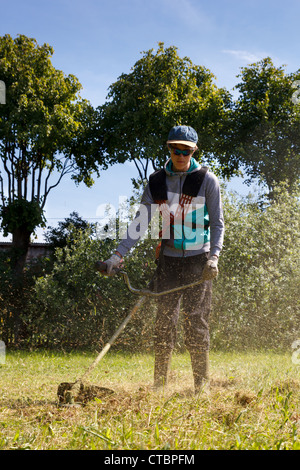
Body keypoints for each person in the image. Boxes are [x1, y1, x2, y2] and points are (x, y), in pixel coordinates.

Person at [102, 125, 224, 393]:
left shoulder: (207, 180)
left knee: (196, 323)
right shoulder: (156, 182)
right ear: (168, 149)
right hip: (168, 262)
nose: (180, 155)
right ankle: (159, 385)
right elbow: (140, 223)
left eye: (186, 150)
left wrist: (213, 257)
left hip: (198, 261)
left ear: (194, 151)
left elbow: (217, 224)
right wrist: (117, 255)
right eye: (175, 149)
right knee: (164, 323)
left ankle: (201, 386)